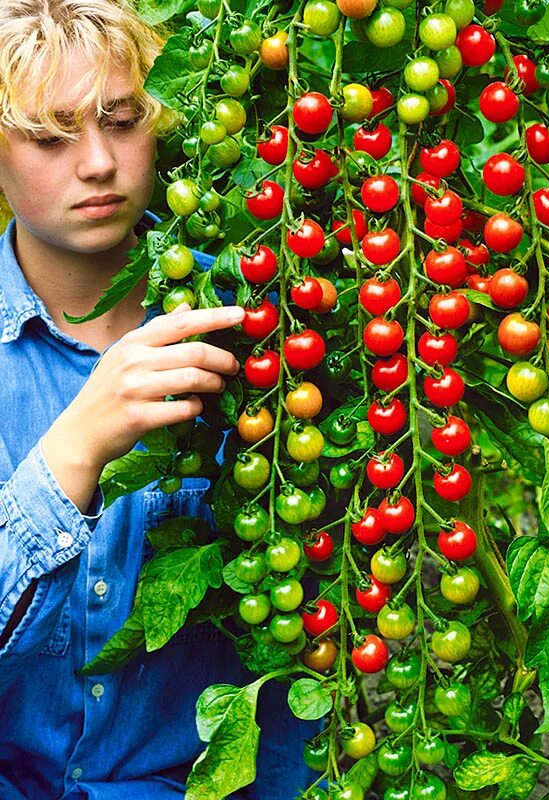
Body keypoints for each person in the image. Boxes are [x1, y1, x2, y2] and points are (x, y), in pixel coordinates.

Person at [0, 1, 316, 798]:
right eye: (49, 135)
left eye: (122, 119)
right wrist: (71, 455)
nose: (99, 163)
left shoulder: (270, 324)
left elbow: (301, 657)